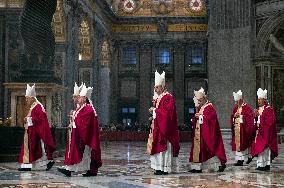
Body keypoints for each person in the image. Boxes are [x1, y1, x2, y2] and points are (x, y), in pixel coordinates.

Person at [58, 84, 102, 177]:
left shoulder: (88, 108)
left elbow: (84, 122)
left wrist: (74, 115)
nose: (78, 99)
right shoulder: (81, 108)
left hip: (86, 136)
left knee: (85, 153)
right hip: (78, 134)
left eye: (80, 97)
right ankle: (69, 168)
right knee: (80, 153)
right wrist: (74, 115)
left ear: (85, 98)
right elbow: (78, 118)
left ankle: (72, 169)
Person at [148, 71, 180, 175]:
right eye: (155, 87)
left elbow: (168, 113)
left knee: (164, 148)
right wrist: (153, 114)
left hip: (165, 129)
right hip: (158, 127)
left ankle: (164, 168)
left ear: (162, 87)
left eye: (157, 87)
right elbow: (160, 113)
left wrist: (155, 111)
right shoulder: (157, 98)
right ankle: (158, 168)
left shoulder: (168, 97)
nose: (155, 89)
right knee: (157, 147)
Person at [18, 84, 56, 171]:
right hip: (31, 131)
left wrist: (29, 119)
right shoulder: (33, 106)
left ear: (32, 98)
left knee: (40, 149)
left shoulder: (38, 106)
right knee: (34, 149)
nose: (26, 100)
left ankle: (47, 162)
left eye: (27, 98)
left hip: (37, 132)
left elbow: (40, 119)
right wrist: (28, 119)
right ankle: (33, 164)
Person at [189, 87, 227, 173]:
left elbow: (212, 120)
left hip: (207, 132)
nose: (198, 102)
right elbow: (198, 118)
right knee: (198, 149)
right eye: (197, 100)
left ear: (203, 99)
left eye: (199, 100)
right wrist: (195, 118)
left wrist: (201, 117)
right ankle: (197, 167)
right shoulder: (202, 107)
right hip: (199, 132)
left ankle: (217, 165)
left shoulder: (209, 107)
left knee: (209, 148)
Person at [251, 88, 278, 171]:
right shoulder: (259, 109)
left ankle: (265, 165)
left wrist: (260, 116)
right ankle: (260, 165)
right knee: (259, 149)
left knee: (264, 150)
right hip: (259, 132)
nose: (258, 101)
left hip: (266, 133)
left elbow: (270, 122)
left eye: (260, 99)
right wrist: (255, 117)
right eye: (258, 99)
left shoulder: (269, 109)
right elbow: (256, 121)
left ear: (264, 100)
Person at [230, 90, 254, 166]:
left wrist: (240, 117)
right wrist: (234, 117)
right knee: (238, 145)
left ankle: (245, 158)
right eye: (235, 101)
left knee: (243, 145)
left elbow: (250, 119)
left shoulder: (246, 107)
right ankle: (240, 160)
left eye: (237, 101)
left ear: (240, 100)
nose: (236, 103)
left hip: (243, 130)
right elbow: (232, 117)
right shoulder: (236, 108)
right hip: (237, 129)